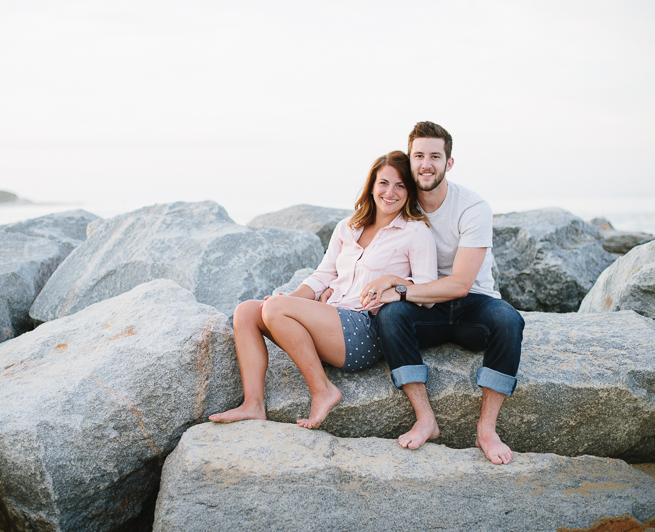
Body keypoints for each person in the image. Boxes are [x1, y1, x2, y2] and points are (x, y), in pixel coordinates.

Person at [209, 151, 437, 429]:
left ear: (410, 191)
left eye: (400, 185)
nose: (391, 192)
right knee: (247, 312)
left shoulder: (415, 231)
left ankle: (323, 391)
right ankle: (253, 405)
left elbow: (427, 293)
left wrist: (391, 280)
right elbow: (322, 276)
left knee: (275, 308)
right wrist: (288, 300)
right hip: (330, 319)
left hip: (363, 330)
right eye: (384, 183)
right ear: (372, 186)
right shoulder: (347, 227)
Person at [363, 121, 524, 464]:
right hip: (427, 311)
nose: (426, 164)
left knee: (509, 320)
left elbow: (461, 284)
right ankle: (425, 418)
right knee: (390, 317)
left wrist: (402, 290)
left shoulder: (472, 207)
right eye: (418, 155)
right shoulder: (402, 202)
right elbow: (365, 240)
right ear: (410, 159)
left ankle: (487, 429)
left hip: (472, 305)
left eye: (435, 156)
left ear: (448, 163)